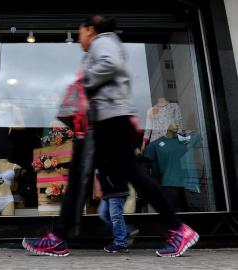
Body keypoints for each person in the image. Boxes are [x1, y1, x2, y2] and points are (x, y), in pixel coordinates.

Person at [22, 15, 199, 257]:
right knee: (88, 178)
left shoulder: (103, 41)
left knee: (114, 176)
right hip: (104, 123)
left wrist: (82, 82)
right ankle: (59, 237)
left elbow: (110, 64)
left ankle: (178, 229)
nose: (78, 38)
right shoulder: (102, 44)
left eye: (80, 32)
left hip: (110, 122)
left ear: (90, 29)